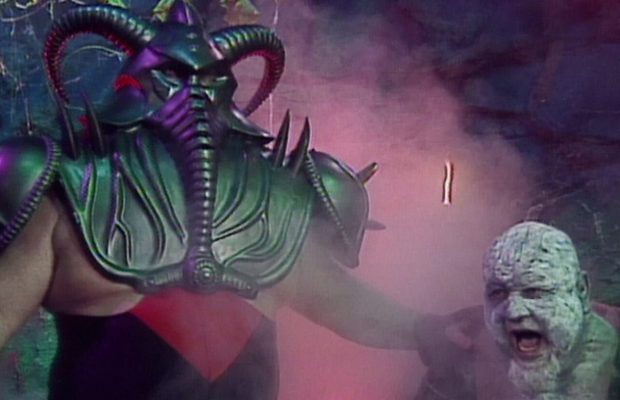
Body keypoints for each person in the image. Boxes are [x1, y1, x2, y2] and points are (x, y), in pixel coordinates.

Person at [0, 1, 422, 399]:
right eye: (171, 76)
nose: (191, 97)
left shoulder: (275, 209)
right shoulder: (69, 200)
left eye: (207, 81)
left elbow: (344, 303)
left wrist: (428, 331)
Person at [414, 221, 619, 400]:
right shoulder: (461, 365)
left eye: (535, 291)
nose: (513, 311)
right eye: (498, 293)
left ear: (581, 290)